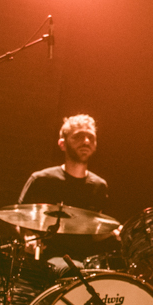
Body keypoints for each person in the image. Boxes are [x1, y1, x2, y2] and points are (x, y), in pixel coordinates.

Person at [18, 114, 110, 272]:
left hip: (84, 261)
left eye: (91, 137)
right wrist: (28, 236)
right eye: (78, 136)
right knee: (72, 270)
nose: (86, 141)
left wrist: (114, 231)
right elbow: (17, 218)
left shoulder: (99, 186)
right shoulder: (42, 180)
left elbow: (93, 233)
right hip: (45, 260)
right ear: (62, 144)